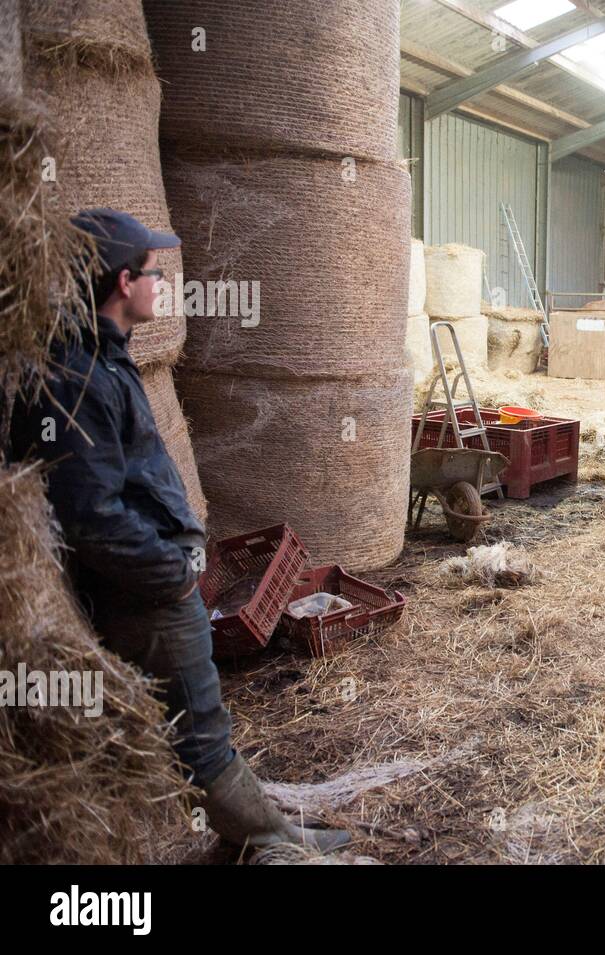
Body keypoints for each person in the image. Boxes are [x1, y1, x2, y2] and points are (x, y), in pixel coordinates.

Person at [7, 209, 347, 854]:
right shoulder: (76, 378)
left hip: (155, 583)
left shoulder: (101, 360)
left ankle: (265, 831)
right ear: (123, 281)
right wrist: (171, 573)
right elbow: (89, 514)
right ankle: (271, 847)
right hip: (149, 595)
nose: (163, 285)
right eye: (154, 273)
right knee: (200, 732)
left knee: (201, 721)